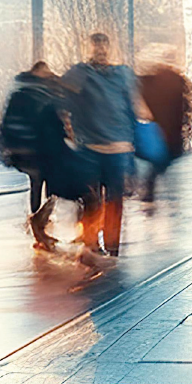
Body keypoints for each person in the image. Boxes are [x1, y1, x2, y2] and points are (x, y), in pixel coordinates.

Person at [62, 32, 151, 256]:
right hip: (93, 148)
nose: (100, 51)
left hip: (114, 148)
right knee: (95, 200)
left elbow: (132, 107)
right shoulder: (81, 73)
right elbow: (63, 102)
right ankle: (95, 242)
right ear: (89, 49)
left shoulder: (118, 74)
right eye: (96, 47)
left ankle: (108, 245)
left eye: (103, 46)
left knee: (111, 200)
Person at [1, 61, 70, 250]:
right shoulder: (47, 94)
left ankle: (38, 223)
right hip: (41, 148)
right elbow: (55, 122)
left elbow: (7, 122)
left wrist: (7, 146)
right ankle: (40, 224)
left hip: (24, 147)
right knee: (51, 185)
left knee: (37, 183)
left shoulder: (19, 93)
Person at [138, 63, 190, 202]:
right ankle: (152, 190)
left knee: (161, 162)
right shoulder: (176, 89)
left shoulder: (154, 87)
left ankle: (150, 190)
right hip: (170, 133)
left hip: (162, 131)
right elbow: (182, 111)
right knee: (163, 161)